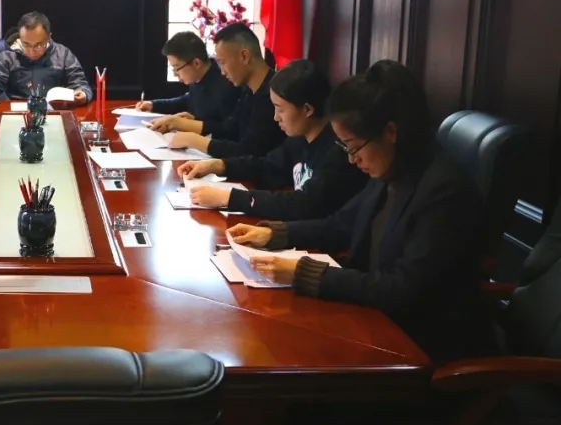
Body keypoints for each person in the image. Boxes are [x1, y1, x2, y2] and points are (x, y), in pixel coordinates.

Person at [227, 60, 495, 363]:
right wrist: (274, 233)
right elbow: (340, 225)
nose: (351, 159)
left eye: (352, 147)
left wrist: (303, 272)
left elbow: (401, 289)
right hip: (377, 323)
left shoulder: (444, 191)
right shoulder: (393, 169)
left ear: (390, 132)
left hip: (422, 350)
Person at [177, 60, 368, 220]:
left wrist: (229, 198)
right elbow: (267, 166)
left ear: (307, 110)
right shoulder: (299, 139)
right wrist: (217, 166)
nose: (275, 117)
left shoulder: (339, 150)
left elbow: (304, 204)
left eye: (280, 109)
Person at [151, 23, 285, 158]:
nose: (222, 72)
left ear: (244, 56)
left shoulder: (274, 95)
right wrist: (188, 125)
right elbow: (229, 129)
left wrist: (193, 140)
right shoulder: (249, 90)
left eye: (222, 62)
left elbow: (249, 152)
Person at [0, 12, 92, 105]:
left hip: (53, 111)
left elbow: (80, 84)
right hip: (18, 112)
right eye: (26, 44)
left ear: (48, 37)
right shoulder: (8, 57)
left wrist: (83, 94)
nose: (32, 51)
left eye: (38, 45)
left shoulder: (63, 55)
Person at [135, 31, 238, 123]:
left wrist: (189, 124)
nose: (175, 74)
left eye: (177, 68)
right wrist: (154, 105)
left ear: (196, 63)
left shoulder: (226, 83)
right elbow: (189, 99)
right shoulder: (199, 75)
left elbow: (226, 129)